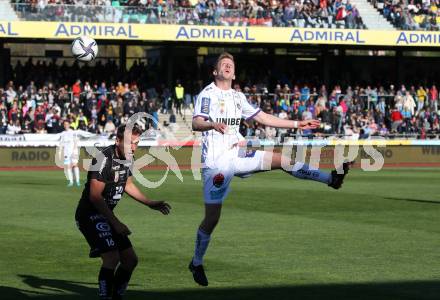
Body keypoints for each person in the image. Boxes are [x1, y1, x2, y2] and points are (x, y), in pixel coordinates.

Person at [189, 52, 353, 287]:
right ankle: (196, 262)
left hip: (238, 154)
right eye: (223, 64)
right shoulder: (208, 94)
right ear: (215, 72)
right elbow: (196, 122)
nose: (227, 66)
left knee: (282, 160)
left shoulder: (238, 97)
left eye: (231, 65)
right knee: (212, 219)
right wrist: (211, 124)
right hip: (216, 163)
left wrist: (298, 124)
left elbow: (263, 117)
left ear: (234, 73)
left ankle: (331, 179)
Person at [75, 124, 171, 300]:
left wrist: (149, 202)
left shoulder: (128, 158)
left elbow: (128, 184)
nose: (134, 147)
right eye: (130, 143)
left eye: (136, 143)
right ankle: (106, 297)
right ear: (117, 140)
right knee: (111, 258)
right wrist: (116, 223)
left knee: (130, 260)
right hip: (89, 215)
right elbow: (95, 197)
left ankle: (117, 295)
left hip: (106, 215)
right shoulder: (102, 160)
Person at [59, 120, 81, 187]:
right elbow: (61, 143)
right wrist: (60, 150)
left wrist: (75, 149)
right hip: (66, 152)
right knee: (68, 166)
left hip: (73, 151)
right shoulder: (62, 133)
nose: (66, 125)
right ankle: (71, 182)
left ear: (69, 125)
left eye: (67, 124)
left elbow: (76, 141)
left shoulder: (72, 132)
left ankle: (77, 181)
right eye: (64, 124)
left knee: (75, 165)